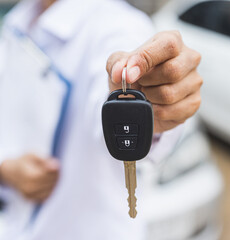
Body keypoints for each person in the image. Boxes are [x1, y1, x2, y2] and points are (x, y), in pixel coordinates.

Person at [0, 0, 202, 239]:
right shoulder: (16, 19)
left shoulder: (120, 27)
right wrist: (5, 170)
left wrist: (157, 109)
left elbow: (111, 102)